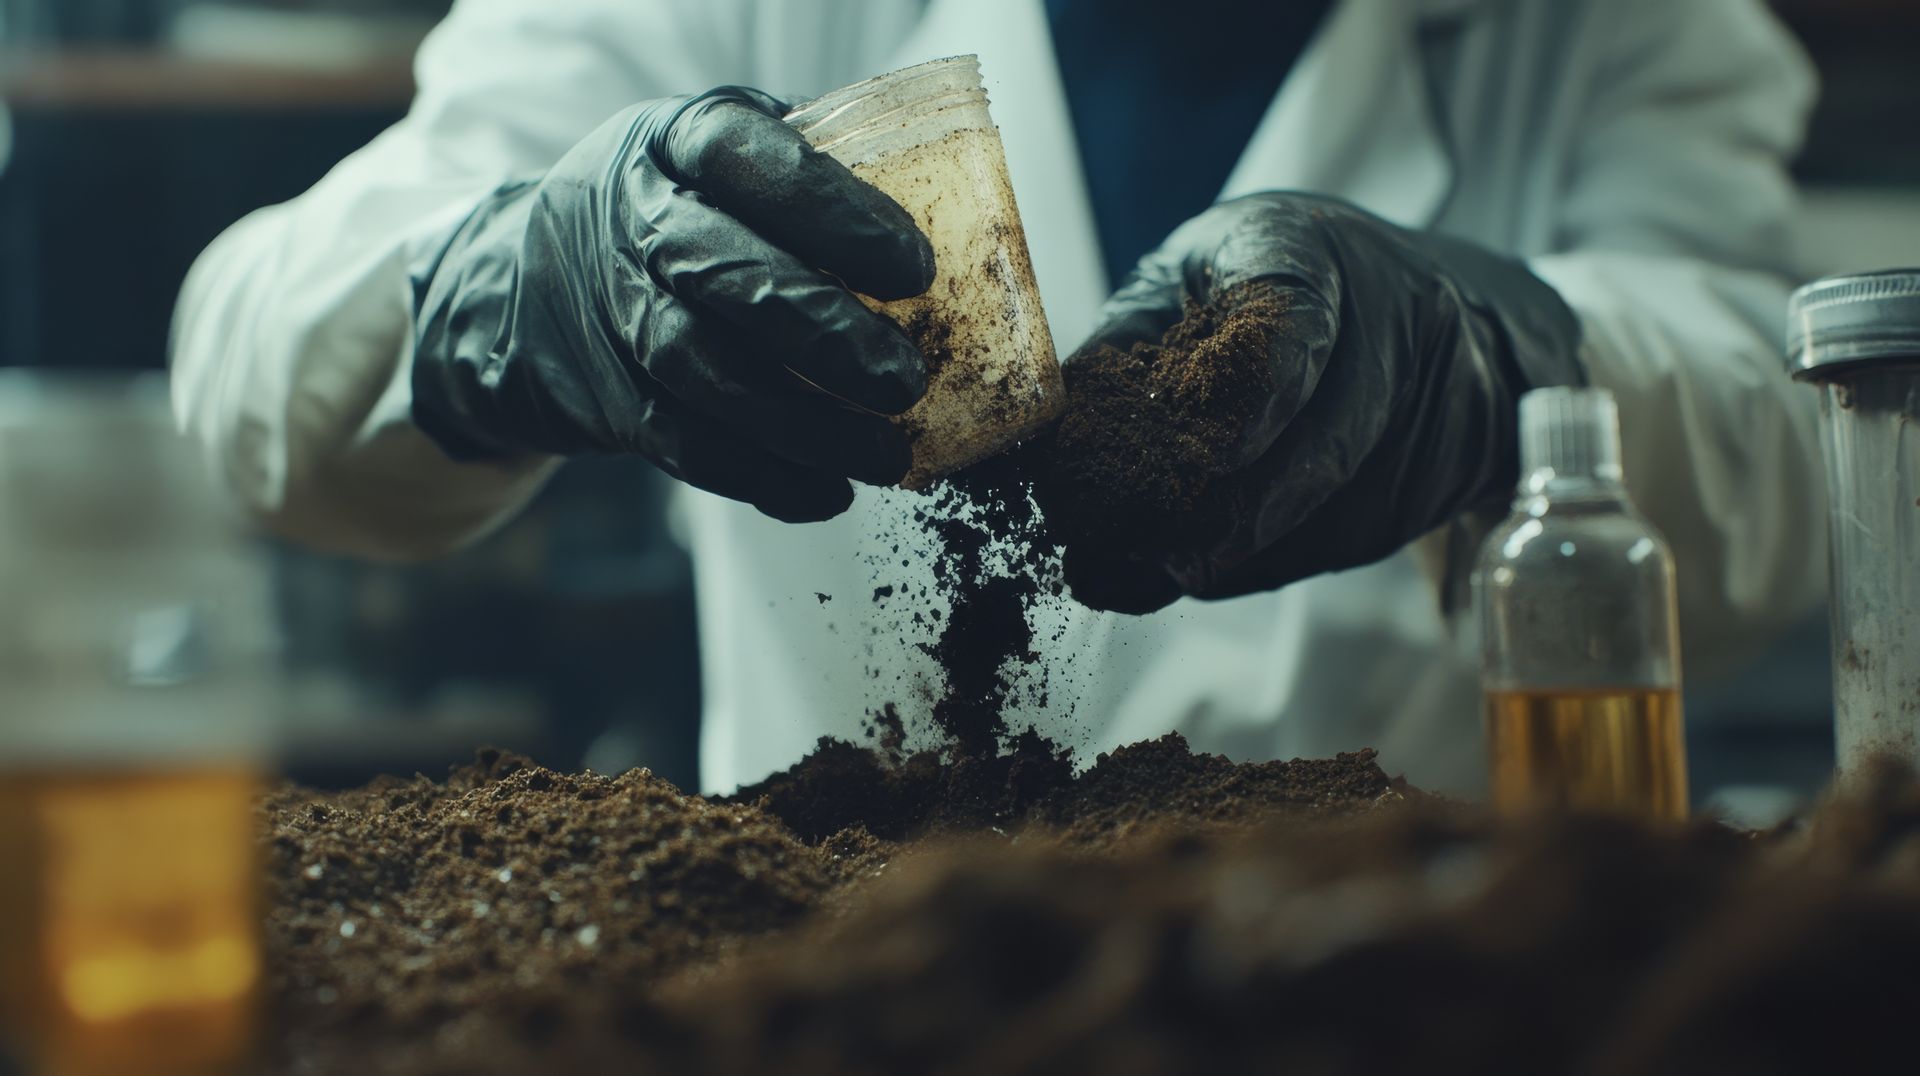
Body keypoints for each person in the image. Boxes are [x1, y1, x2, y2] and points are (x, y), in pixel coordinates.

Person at [170, 0, 1825, 795]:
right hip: (848, 989)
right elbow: (248, 355)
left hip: (1414, 993)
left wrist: (1498, 361)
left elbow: (1780, 449)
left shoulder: (1626, 32)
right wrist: (514, 288)